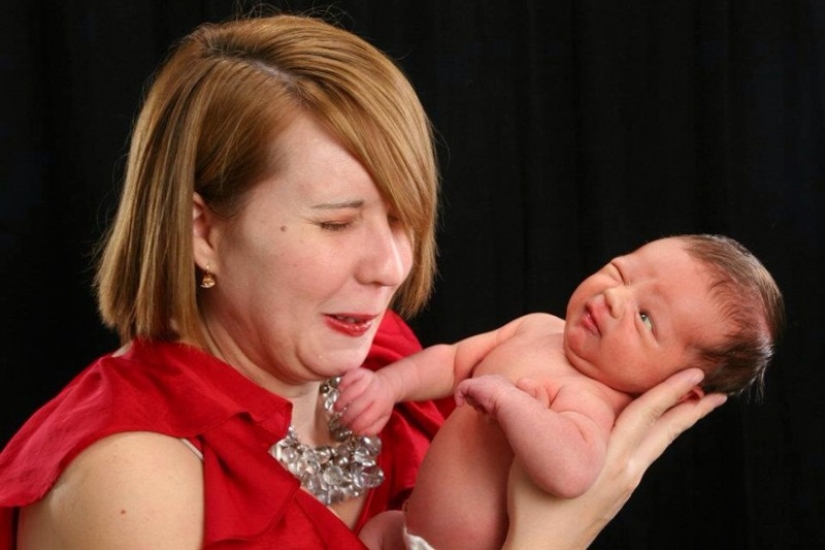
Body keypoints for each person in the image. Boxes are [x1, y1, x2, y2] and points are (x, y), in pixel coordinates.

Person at [0, 12, 729, 550]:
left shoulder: (387, 361)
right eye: (336, 222)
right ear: (202, 233)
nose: (390, 267)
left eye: (402, 218)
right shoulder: (132, 475)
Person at [337, 234, 784, 550]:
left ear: (677, 389)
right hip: (405, 527)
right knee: (369, 532)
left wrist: (511, 403)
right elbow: (454, 361)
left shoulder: (594, 402)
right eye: (621, 271)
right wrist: (389, 384)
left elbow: (572, 473)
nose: (615, 297)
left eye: (646, 318)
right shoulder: (538, 328)